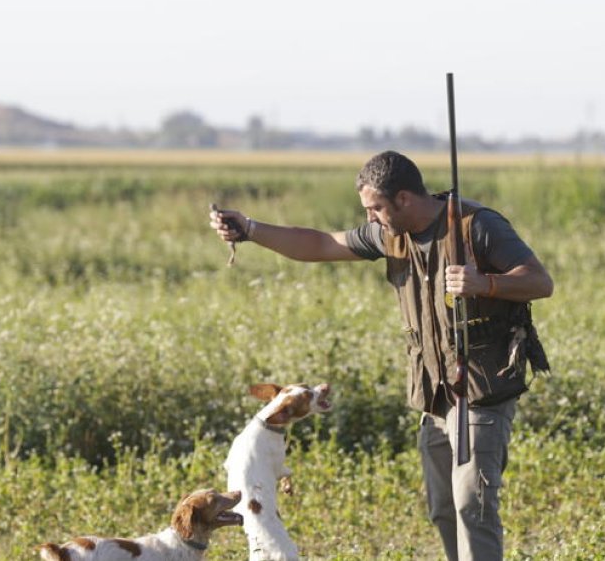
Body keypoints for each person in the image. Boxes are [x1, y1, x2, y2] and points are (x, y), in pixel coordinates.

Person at [209, 150, 553, 561]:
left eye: (375, 208)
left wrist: (486, 283)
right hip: (435, 396)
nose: (370, 218)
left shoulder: (477, 226)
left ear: (404, 198)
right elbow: (321, 242)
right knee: (444, 510)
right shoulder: (390, 234)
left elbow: (540, 281)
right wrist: (249, 228)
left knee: (471, 507)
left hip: (479, 392)